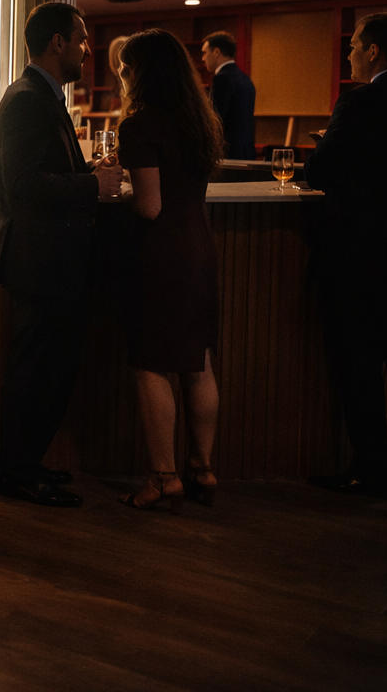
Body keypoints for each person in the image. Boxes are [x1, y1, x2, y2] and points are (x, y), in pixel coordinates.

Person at [0, 1, 123, 507]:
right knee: (35, 372)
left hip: (54, 261)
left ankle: (28, 462)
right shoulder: (26, 99)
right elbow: (24, 186)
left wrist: (89, 174)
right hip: (38, 261)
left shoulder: (44, 96)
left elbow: (47, 172)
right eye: (82, 39)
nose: (88, 50)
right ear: (57, 43)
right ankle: (17, 472)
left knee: (52, 370)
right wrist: (92, 186)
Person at [305, 12, 387, 503]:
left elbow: (322, 171)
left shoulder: (359, 102)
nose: (348, 53)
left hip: (363, 260)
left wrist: (324, 145)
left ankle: (371, 469)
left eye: (353, 45)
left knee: (362, 370)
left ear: (373, 51)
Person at [113, 30, 224, 512]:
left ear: (142, 72)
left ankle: (163, 477)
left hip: (160, 256)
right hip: (199, 247)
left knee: (152, 364)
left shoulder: (139, 125)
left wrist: (117, 194)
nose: (122, 75)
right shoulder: (200, 121)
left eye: (126, 67)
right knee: (197, 362)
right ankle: (203, 469)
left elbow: (150, 206)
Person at [201, 31, 256, 159]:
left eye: (205, 53)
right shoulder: (245, 79)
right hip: (246, 151)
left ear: (216, 52)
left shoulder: (222, 78)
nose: (203, 58)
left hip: (229, 153)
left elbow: (215, 119)